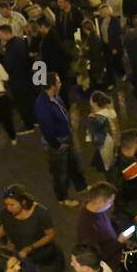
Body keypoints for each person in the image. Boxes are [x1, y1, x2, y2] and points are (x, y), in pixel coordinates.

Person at [0, 184, 63, 272]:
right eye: (6, 205)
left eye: (12, 205)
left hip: (43, 255)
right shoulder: (4, 214)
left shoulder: (41, 213)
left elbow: (50, 235)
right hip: (22, 256)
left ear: (23, 202)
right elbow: (6, 230)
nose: (8, 208)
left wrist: (30, 248)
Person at [34, 73, 87, 207]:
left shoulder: (55, 96)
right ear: (52, 86)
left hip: (66, 137)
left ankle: (81, 186)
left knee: (74, 163)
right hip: (57, 143)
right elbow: (47, 129)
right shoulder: (42, 105)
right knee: (60, 171)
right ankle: (62, 197)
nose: (60, 84)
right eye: (58, 82)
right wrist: (57, 144)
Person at [86, 91, 120, 173]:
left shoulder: (94, 118)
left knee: (108, 167)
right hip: (115, 141)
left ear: (93, 103)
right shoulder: (111, 111)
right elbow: (117, 126)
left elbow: (90, 138)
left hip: (104, 144)